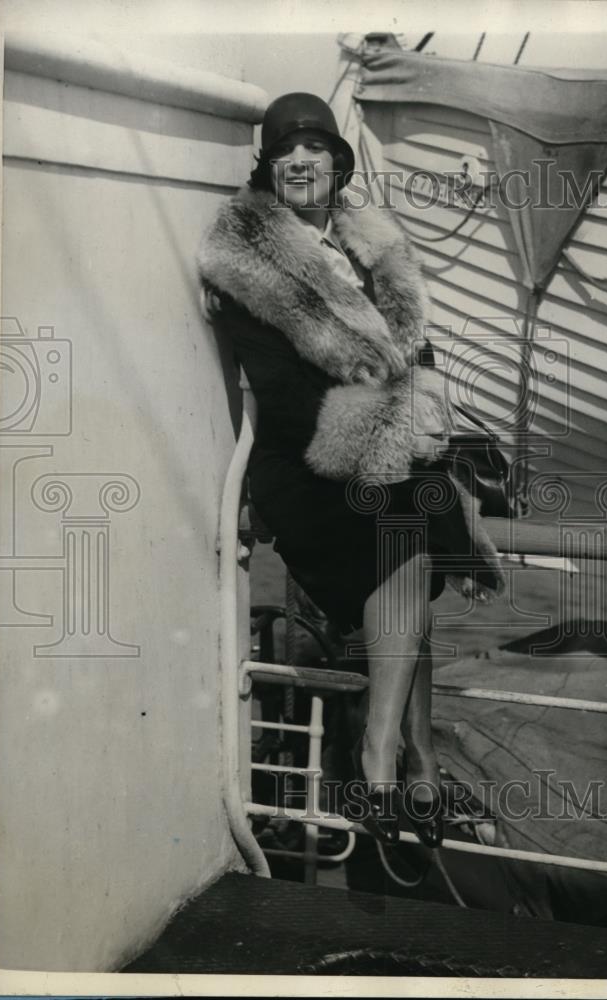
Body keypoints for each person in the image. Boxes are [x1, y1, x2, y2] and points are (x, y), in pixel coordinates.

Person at [197, 92, 505, 849]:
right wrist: (391, 433)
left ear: (339, 163)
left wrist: (415, 428)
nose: (302, 163)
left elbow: (418, 358)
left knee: (416, 530)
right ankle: (382, 761)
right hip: (304, 461)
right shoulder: (245, 258)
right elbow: (281, 390)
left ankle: (418, 762)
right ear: (269, 170)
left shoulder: (372, 245)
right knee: (406, 535)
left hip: (380, 449)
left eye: (316, 150)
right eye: (285, 154)